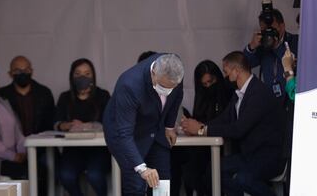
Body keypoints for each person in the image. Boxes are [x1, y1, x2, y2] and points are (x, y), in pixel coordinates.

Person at [182, 51, 285, 196]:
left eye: (227, 71)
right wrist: (199, 125)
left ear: (236, 71)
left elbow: (238, 129)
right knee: (214, 170)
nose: (225, 76)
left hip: (267, 156)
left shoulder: (258, 93)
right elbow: (224, 119)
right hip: (249, 155)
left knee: (243, 179)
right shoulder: (239, 94)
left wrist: (202, 130)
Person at [103, 53, 184, 195]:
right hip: (128, 133)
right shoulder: (129, 85)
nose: (167, 92)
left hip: (156, 128)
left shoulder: (175, 69)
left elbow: (177, 96)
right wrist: (142, 168)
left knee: (163, 179)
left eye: (171, 87)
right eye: (163, 86)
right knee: (136, 184)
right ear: (153, 73)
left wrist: (169, 126)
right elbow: (124, 134)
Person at [174, 60, 233, 196]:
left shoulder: (228, 95)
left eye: (211, 82)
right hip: (202, 148)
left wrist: (201, 129)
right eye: (204, 84)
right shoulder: (202, 98)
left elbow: (225, 126)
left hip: (223, 149)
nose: (208, 87)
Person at [0, 55, 55, 194]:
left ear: (32, 71)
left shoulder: (44, 93)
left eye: (26, 69)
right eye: (17, 70)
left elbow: (50, 125)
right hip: (11, 151)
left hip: (41, 149)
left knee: (46, 168)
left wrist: (35, 147)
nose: (22, 73)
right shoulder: (1, 96)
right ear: (10, 74)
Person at [55, 58, 111, 196]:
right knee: (66, 175)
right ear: (72, 76)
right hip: (73, 150)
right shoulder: (65, 97)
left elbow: (110, 122)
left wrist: (90, 125)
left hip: (99, 150)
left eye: (87, 73)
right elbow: (56, 123)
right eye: (78, 73)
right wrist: (66, 125)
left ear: (93, 76)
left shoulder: (103, 95)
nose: (82, 77)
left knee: (95, 175)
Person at [244, 8, 298, 99]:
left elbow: (293, 62)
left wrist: (276, 46)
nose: (268, 32)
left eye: (271, 28)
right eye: (264, 29)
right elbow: (246, 65)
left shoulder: (296, 41)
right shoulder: (263, 46)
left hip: (291, 97)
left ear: (282, 26)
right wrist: (251, 47)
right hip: (270, 99)